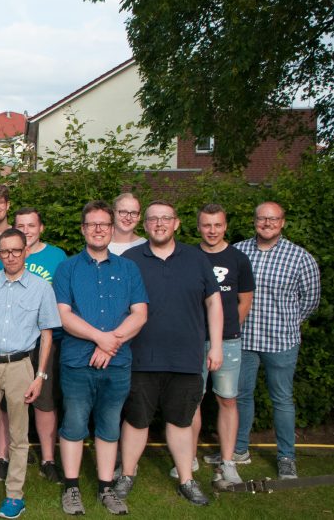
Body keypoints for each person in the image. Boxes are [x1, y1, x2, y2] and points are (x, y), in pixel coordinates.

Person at [117, 201, 223, 507]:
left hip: (187, 358)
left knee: (181, 421)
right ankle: (126, 474)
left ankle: (186, 480)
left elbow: (214, 303)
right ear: (145, 225)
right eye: (153, 219)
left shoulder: (196, 258)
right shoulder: (131, 258)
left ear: (176, 223)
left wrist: (215, 346)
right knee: (137, 420)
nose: (159, 224)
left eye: (165, 218)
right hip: (141, 356)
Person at [54, 200, 148, 516]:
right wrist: (100, 338)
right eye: (92, 224)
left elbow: (140, 314)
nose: (98, 230)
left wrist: (111, 344)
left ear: (112, 228)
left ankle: (106, 488)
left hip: (117, 363)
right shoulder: (67, 268)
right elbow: (63, 316)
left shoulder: (128, 269)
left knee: (109, 425)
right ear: (83, 229)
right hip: (77, 362)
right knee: (74, 423)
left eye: (104, 224)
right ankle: (71, 487)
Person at [0, 229, 60, 519]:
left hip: (20, 366)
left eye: (16, 250)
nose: (10, 256)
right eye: (4, 251)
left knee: (19, 435)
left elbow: (46, 335)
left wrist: (40, 376)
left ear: (25, 252)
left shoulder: (41, 288)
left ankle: (15, 496)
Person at [232, 201, 320, 480]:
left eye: (273, 219)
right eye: (262, 218)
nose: (267, 223)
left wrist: (289, 323)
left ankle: (286, 457)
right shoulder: (239, 251)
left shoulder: (300, 257)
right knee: (240, 397)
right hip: (245, 339)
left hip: (281, 342)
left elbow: (311, 301)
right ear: (254, 221)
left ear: (282, 222)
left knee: (281, 400)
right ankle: (240, 450)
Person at [0, 208, 69, 483]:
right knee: (5, 403)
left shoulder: (57, 257)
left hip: (44, 342)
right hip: (11, 343)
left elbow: (61, 299)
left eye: (31, 225)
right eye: (21, 225)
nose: (26, 230)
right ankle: (2, 456)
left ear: (42, 228)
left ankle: (48, 459)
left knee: (44, 402)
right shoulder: (2, 255)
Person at [189, 204, 254, 487]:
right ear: (198, 226)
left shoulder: (239, 259)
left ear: (225, 226)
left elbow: (245, 301)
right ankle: (188, 457)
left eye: (217, 225)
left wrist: (226, 331)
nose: (212, 230)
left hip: (228, 341)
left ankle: (228, 462)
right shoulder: (188, 257)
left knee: (227, 399)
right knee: (191, 401)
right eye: (206, 225)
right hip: (192, 340)